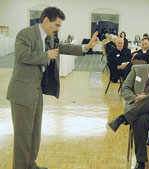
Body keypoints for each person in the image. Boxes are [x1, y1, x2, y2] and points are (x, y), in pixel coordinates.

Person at [6, 7, 99, 169]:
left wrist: (86, 47)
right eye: (56, 25)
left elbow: (62, 47)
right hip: (22, 93)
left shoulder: (50, 38)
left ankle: (31, 164)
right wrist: (45, 56)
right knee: (23, 136)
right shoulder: (25, 34)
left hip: (36, 92)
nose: (58, 29)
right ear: (46, 20)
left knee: (35, 133)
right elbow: (21, 55)